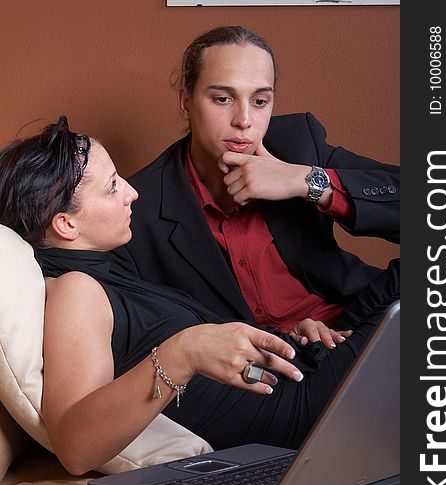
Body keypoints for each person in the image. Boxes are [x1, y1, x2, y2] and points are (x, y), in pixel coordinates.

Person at [0, 117, 395, 476]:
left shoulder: (105, 275)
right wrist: (183, 353)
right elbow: (76, 446)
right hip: (306, 413)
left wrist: (288, 336)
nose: (132, 193)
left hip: (304, 370)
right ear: (66, 223)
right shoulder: (75, 291)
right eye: (112, 186)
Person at [112, 25, 400, 344]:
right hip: (260, 366)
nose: (245, 120)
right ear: (186, 102)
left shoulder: (298, 146)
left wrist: (307, 181)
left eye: (260, 101)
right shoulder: (139, 207)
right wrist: (282, 337)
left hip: (355, 324)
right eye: (223, 99)